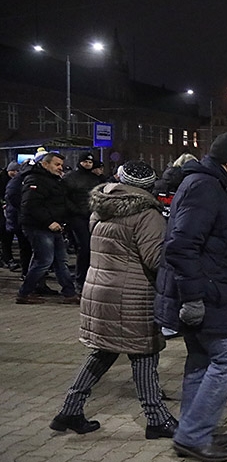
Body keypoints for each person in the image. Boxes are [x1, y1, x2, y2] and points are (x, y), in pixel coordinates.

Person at [49, 161, 177, 438]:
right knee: (143, 351)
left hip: (99, 289)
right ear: (148, 187)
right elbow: (155, 259)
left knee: (103, 351)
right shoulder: (147, 214)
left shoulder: (101, 206)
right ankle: (156, 418)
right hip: (131, 293)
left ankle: (70, 409)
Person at [154, 132, 227, 462]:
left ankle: (196, 431)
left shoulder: (207, 185)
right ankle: (193, 434)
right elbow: (181, 246)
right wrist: (194, 298)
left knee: (201, 361)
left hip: (209, 289)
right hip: (208, 294)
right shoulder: (205, 188)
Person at [16, 152, 79, 304]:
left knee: (60, 261)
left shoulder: (54, 180)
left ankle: (69, 293)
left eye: (61, 165)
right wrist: (49, 222)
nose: (60, 168)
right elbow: (31, 205)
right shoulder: (35, 180)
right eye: (57, 164)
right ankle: (24, 293)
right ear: (45, 164)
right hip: (38, 227)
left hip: (53, 226)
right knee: (44, 260)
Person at [63, 151, 104, 291]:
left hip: (92, 216)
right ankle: (80, 279)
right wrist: (75, 210)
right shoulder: (70, 178)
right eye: (85, 161)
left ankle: (88, 276)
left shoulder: (95, 179)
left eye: (90, 162)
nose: (87, 164)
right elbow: (65, 197)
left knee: (92, 247)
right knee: (84, 247)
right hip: (77, 217)